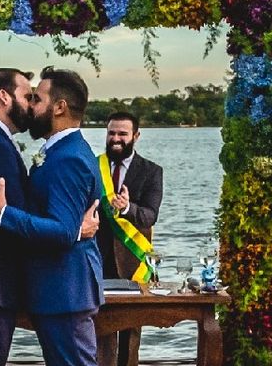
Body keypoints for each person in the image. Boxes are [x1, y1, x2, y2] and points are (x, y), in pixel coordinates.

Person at [0, 68, 99, 366]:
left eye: (36, 98)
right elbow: (13, 218)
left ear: (60, 107)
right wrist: (75, 231)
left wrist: (67, 230)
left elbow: (26, 216)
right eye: (28, 96)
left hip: (55, 289)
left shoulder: (67, 155)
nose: (30, 105)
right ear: (3, 96)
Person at [95, 111, 163, 366]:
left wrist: (126, 208)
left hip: (134, 263)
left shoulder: (151, 171)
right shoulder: (93, 166)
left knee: (131, 334)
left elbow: (149, 216)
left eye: (122, 134)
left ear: (136, 136)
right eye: (112, 133)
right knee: (99, 334)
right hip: (97, 260)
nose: (116, 139)